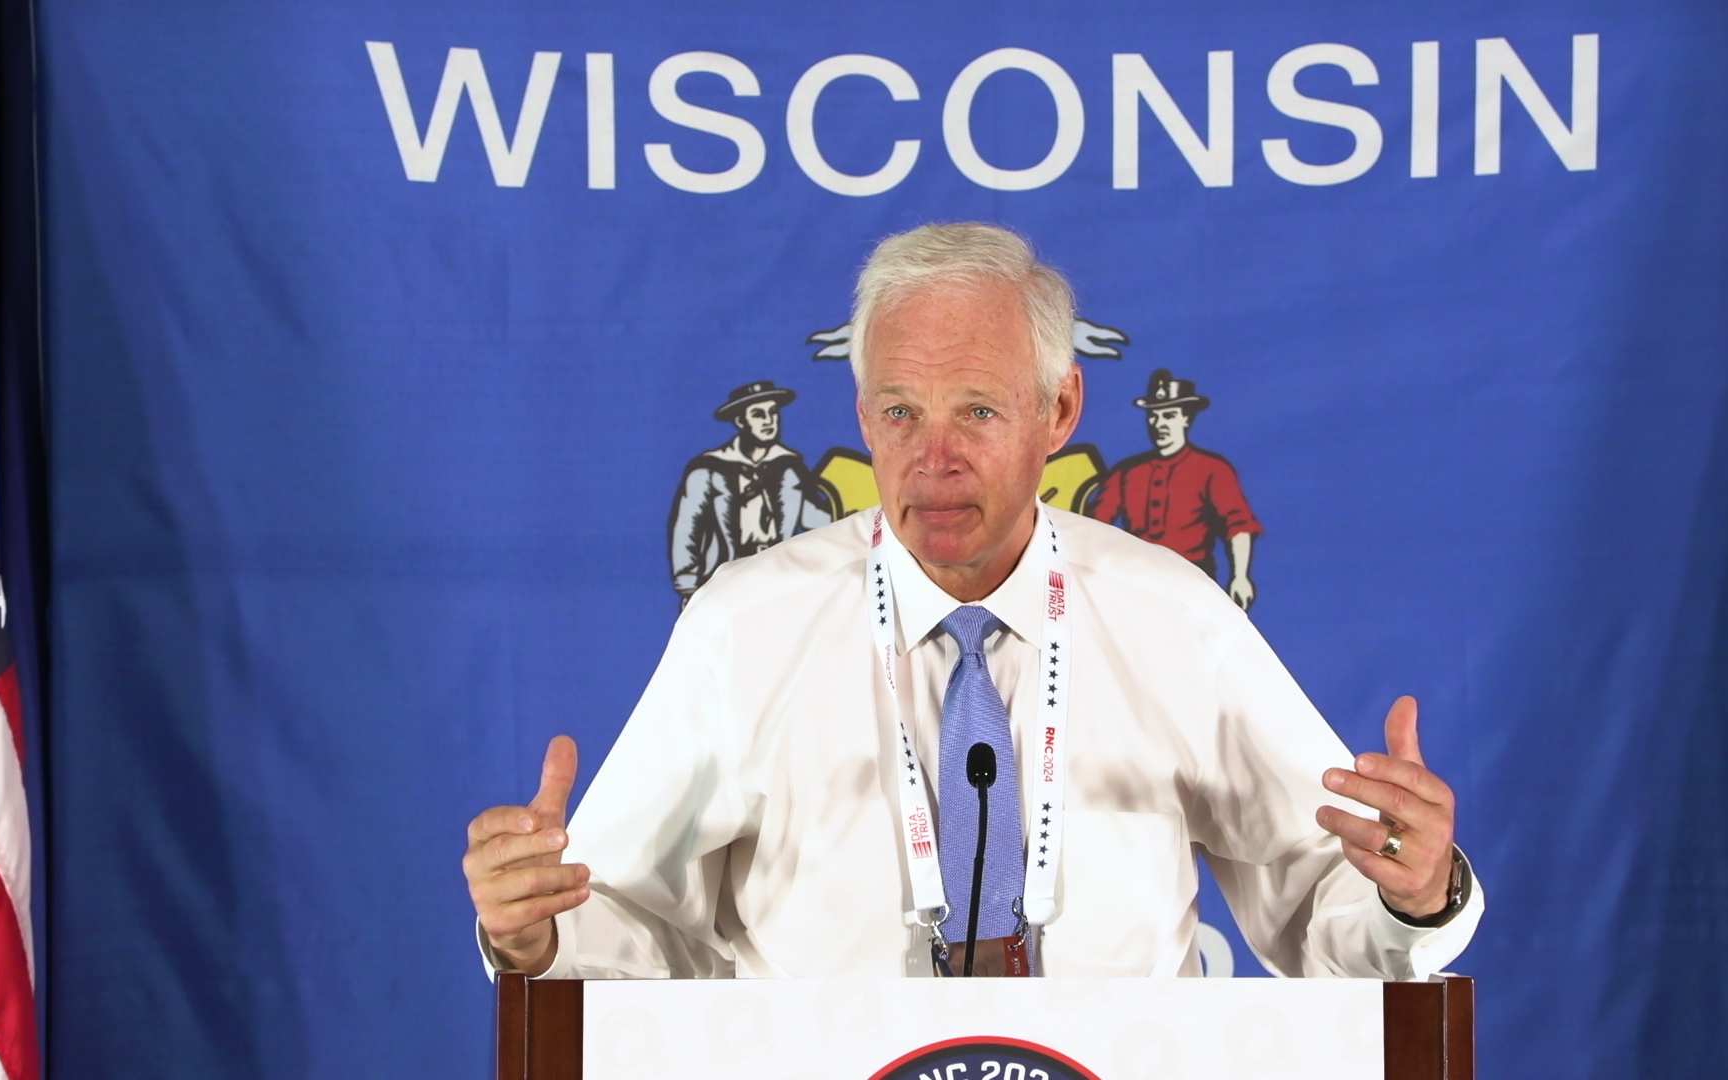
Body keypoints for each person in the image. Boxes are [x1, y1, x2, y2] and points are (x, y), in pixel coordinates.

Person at [463, 223, 1481, 979]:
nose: (934, 458)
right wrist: (535, 929)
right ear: (862, 418)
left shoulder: (1176, 618)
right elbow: (625, 926)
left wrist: (1416, 895)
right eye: (900, 413)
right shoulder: (746, 626)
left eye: (979, 412)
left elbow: (1326, 907)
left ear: (1061, 410)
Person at [1088, 369, 1263, 610]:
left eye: (1169, 416)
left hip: (1194, 585)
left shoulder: (1213, 469)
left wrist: (1240, 576)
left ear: (1186, 419)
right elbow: (1095, 526)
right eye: (1153, 416)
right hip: (1136, 586)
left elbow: (1238, 525)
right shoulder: (1126, 472)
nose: (1160, 424)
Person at [667, 380, 832, 607]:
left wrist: (851, 514)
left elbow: (811, 518)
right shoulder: (708, 470)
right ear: (740, 421)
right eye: (758, 414)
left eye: (773, 412)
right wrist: (689, 587)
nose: (769, 421)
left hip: (778, 582)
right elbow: (687, 529)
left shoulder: (790, 468)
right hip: (724, 583)